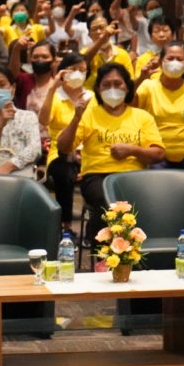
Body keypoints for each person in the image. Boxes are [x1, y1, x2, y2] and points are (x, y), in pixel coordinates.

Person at [57, 62, 165, 244]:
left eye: (117, 83)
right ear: (98, 90)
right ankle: (104, 250)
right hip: (97, 176)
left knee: (144, 198)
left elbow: (158, 154)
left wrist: (132, 150)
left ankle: (135, 249)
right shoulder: (88, 115)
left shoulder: (142, 117)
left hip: (133, 176)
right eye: (106, 85)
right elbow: (63, 147)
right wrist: (76, 117)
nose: (112, 89)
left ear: (127, 87)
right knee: (106, 198)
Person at [38, 52, 92, 232]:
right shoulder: (55, 96)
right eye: (73, 69)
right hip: (60, 152)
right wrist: (52, 87)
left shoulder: (92, 97)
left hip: (90, 151)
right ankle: (65, 226)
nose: (78, 73)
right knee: (64, 172)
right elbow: (43, 120)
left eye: (82, 70)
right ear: (63, 72)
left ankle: (96, 226)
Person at [135, 41, 184, 168]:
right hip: (155, 153)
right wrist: (141, 78)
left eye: (179, 59)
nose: (175, 62)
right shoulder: (148, 86)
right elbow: (128, 104)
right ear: (161, 62)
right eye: (170, 58)